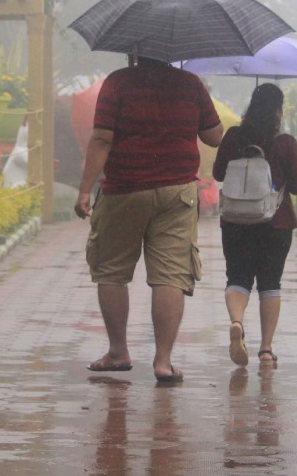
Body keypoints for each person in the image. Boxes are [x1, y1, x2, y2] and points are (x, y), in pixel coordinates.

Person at [75, 54, 224, 383]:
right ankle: (163, 362)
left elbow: (101, 139)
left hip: (124, 190)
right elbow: (215, 136)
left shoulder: (117, 83)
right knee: (171, 274)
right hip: (177, 192)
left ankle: (118, 352)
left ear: (134, 51)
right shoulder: (190, 85)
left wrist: (85, 189)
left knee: (112, 271)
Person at [212, 83, 297, 367]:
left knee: (237, 278)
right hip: (276, 222)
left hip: (236, 221)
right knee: (270, 283)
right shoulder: (285, 143)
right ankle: (265, 349)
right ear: (278, 111)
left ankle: (237, 322)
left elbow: (218, 173)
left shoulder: (233, 137)